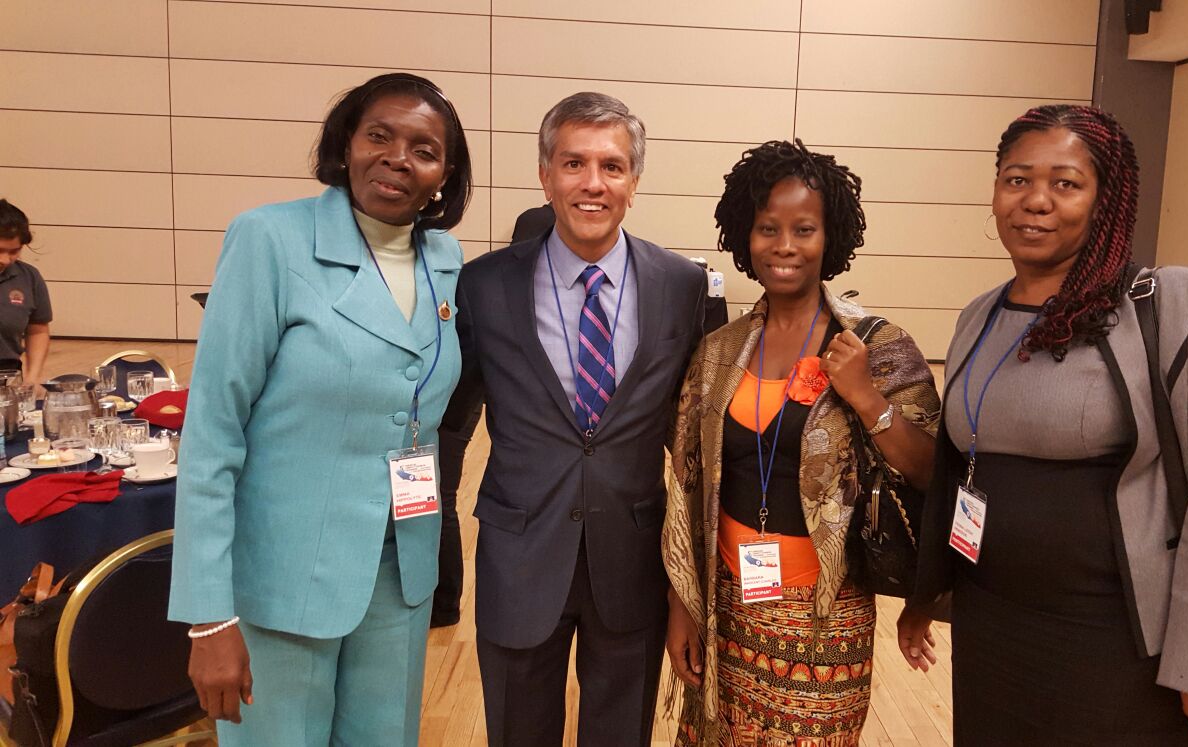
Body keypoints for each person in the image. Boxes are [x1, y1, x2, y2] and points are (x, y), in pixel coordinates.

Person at [898, 104, 1188, 747]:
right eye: (1016, 179)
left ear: (1105, 199)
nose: (1035, 200)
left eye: (1065, 183)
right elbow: (959, 470)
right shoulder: (979, 315)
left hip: (1117, 638)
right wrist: (927, 593)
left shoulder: (1177, 304)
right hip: (992, 623)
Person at [168, 72, 473, 746]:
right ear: (346, 144)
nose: (399, 157)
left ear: (445, 175)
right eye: (380, 136)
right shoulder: (269, 241)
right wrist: (207, 617)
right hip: (282, 578)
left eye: (424, 148)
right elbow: (212, 438)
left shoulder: (444, 259)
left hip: (400, 574)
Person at [436, 91, 706, 746]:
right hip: (519, 555)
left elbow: (694, 443)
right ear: (545, 174)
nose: (593, 183)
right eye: (573, 163)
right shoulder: (483, 286)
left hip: (632, 561)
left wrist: (692, 582)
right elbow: (448, 423)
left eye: (612, 166)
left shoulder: (681, 286)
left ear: (634, 183)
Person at [662, 140, 940, 744]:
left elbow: (929, 471)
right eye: (768, 228)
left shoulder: (877, 344)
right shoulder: (717, 354)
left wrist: (867, 398)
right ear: (745, 236)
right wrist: (682, 604)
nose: (784, 246)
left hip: (825, 618)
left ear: (830, 236)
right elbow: (687, 487)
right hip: (727, 606)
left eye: (804, 229)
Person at [0, 200, 52, 385]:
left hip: (8, 373)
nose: (5, 260)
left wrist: (32, 376)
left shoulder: (29, 277)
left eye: (14, 251)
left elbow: (37, 330)